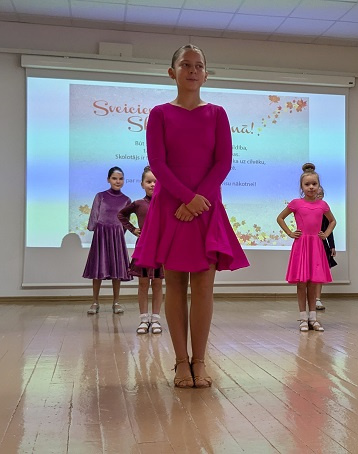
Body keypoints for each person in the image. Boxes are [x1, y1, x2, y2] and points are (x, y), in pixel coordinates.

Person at [132, 44, 249, 388]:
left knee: (203, 286)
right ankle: (181, 362)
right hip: (172, 208)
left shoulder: (217, 114)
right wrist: (187, 198)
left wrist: (199, 200)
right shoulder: (159, 114)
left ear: (206, 74)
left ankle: (200, 360)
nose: (193, 70)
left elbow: (223, 162)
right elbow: (158, 162)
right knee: (174, 284)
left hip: (206, 208)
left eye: (199, 65)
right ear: (173, 72)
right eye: (186, 64)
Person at [277, 163, 336, 333]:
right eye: (307, 184)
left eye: (314, 184)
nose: (311, 187)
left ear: (319, 186)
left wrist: (326, 234)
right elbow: (280, 218)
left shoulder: (323, 205)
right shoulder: (296, 203)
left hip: (316, 246)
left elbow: (332, 221)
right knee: (301, 283)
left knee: (313, 282)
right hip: (301, 245)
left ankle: (313, 318)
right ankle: (303, 317)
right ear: (302, 187)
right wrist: (290, 233)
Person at [117, 166, 164, 335]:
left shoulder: (165, 203)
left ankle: (156, 319)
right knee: (143, 283)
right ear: (142, 184)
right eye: (149, 181)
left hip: (160, 249)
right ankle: (144, 319)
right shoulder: (138, 204)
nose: (152, 185)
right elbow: (121, 215)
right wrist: (132, 229)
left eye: (156, 182)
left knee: (157, 283)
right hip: (144, 248)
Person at [84, 166, 132, 314]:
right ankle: (95, 302)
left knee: (116, 270)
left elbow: (125, 222)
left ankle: (116, 302)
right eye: (114, 178)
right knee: (98, 269)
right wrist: (96, 228)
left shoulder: (126, 200)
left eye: (121, 179)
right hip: (101, 236)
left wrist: (118, 233)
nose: (118, 181)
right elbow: (94, 217)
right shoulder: (100, 196)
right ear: (108, 180)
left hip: (116, 237)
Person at [314, 186, 336, 311]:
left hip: (321, 244)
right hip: (308, 242)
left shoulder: (324, 209)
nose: (318, 196)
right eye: (316, 194)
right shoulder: (304, 207)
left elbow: (329, 227)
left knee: (319, 271)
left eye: (320, 194)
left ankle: (317, 299)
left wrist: (332, 245)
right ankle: (309, 298)